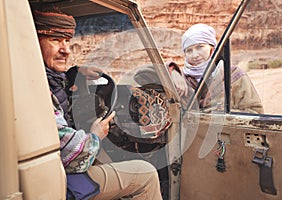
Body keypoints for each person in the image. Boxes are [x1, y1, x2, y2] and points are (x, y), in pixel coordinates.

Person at [33, 7, 162, 200]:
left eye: (67, 40)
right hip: (54, 176)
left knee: (105, 159)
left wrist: (75, 75)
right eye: (55, 40)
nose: (66, 50)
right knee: (146, 174)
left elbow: (59, 96)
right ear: (34, 43)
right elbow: (64, 145)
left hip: (53, 170)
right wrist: (95, 135)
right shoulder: (34, 89)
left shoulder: (44, 77)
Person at [167, 23, 264, 114]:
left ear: (212, 48)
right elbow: (153, 73)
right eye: (189, 51)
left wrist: (221, 115)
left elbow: (255, 113)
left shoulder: (233, 75)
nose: (195, 55)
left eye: (200, 47)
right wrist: (172, 71)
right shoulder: (181, 79)